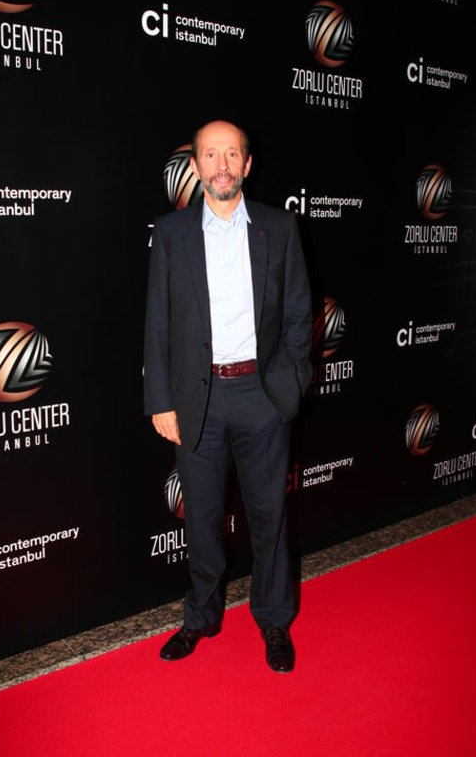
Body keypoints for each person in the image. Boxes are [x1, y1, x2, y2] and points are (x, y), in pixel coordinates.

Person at [144, 120, 312, 673]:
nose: (222, 165)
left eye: (231, 154)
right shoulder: (171, 233)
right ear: (195, 166)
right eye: (211, 155)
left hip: (262, 396)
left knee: (269, 518)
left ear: (247, 164)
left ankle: (274, 620)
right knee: (202, 519)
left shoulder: (278, 227)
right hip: (199, 399)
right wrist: (160, 400)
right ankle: (200, 616)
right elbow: (158, 323)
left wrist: (291, 381)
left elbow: (298, 312)